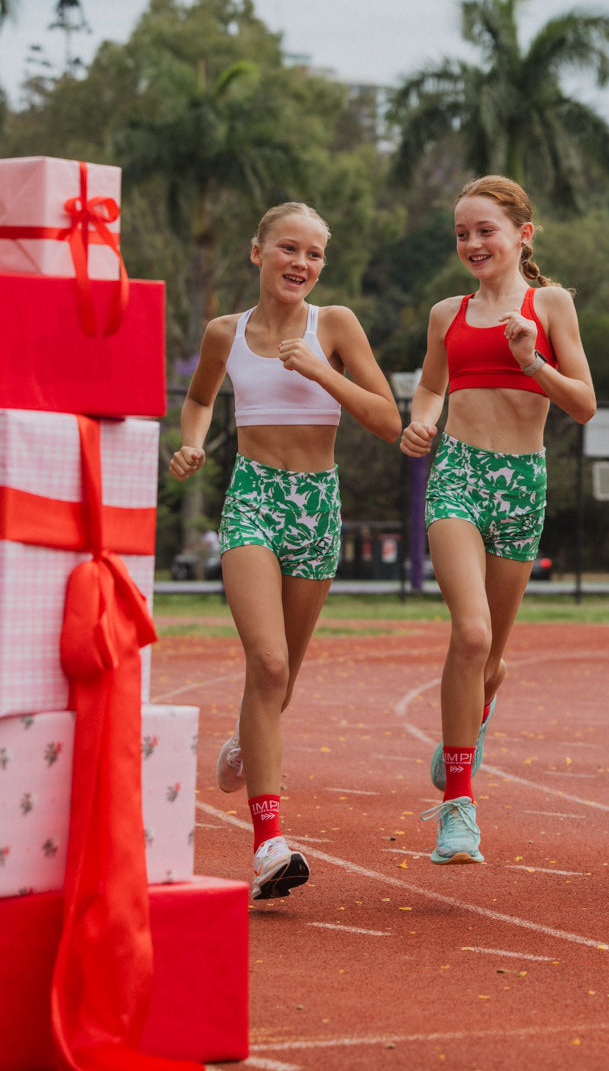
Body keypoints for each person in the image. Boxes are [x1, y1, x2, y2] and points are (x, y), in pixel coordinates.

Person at [170, 202, 401, 900]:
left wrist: (322, 372)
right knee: (266, 664)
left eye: (314, 253)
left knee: (282, 683)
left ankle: (247, 742)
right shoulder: (225, 332)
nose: (301, 263)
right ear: (258, 253)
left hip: (317, 505)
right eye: (288, 248)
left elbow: (388, 421)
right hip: (253, 499)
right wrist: (190, 443)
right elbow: (200, 400)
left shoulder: (335, 326)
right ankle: (269, 845)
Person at [400, 175, 595, 865]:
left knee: (490, 659)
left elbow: (583, 404)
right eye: (463, 234)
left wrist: (530, 359)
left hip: (523, 483)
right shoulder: (446, 313)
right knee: (472, 633)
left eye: (486, 230)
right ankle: (459, 806)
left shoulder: (552, 304)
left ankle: (474, 714)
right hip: (459, 473)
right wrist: (422, 421)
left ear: (522, 235)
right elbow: (431, 386)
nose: (474, 243)